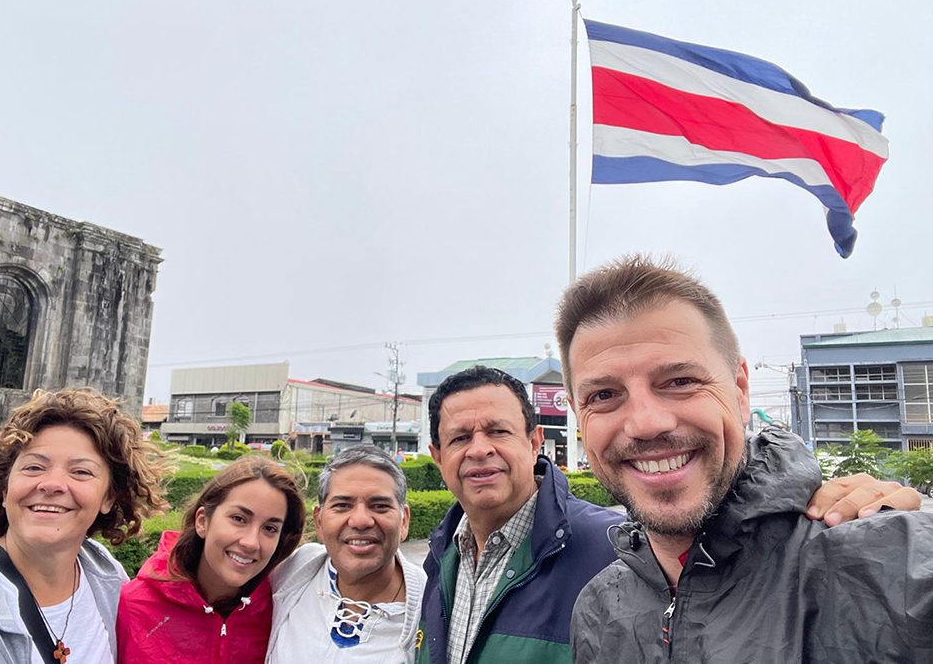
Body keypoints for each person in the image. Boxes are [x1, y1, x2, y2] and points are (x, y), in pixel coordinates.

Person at [560, 255, 933, 663]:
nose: (646, 424)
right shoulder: (597, 610)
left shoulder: (893, 565)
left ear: (739, 390)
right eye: (603, 395)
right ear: (580, 418)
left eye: (681, 381)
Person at [416, 366, 922, 664]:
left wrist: (853, 510)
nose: (479, 451)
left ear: (533, 442)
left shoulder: (612, 546)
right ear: (438, 456)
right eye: (460, 438)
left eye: (498, 432)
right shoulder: (439, 558)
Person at [0, 388, 168, 664]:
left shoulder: (107, 578)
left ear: (109, 497)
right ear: (5, 487)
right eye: (34, 467)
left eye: (81, 472)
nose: (52, 484)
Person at [117, 456, 305, 663]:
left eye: (270, 528)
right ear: (202, 521)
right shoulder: (131, 606)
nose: (251, 542)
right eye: (239, 519)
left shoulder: (283, 613)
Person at [266, 445, 425, 664]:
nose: (360, 521)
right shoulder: (292, 572)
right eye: (342, 506)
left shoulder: (432, 612)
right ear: (319, 521)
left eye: (379, 506)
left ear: (404, 520)